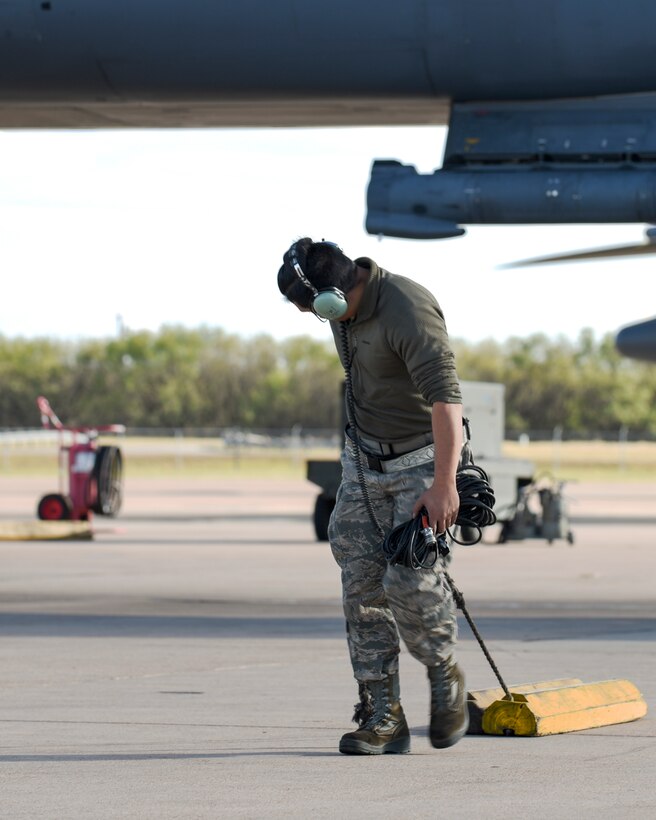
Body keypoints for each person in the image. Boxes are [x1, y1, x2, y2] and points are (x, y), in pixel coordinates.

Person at [277, 237, 467, 755]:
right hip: (363, 459)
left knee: (409, 581)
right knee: (360, 588)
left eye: (312, 308)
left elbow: (447, 402)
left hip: (420, 461)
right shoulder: (343, 313)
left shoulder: (407, 307)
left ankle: (443, 670)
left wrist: (444, 484)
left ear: (333, 295)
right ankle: (384, 716)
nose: (317, 319)